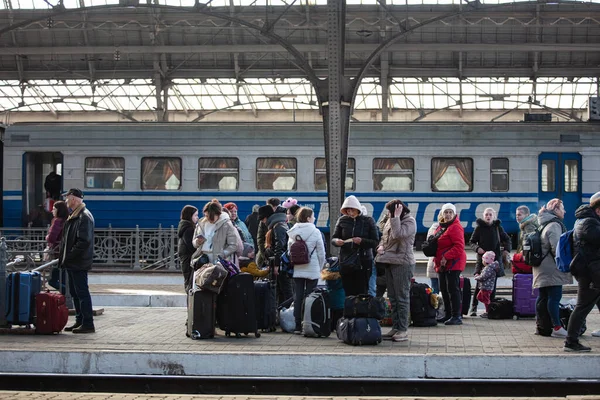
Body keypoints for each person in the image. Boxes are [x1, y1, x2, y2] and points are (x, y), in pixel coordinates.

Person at [375, 200, 416, 342]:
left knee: (402, 297)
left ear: (398, 210)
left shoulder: (410, 222)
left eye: (389, 211)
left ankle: (403, 330)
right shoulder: (390, 220)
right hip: (389, 261)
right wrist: (380, 247)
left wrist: (395, 217)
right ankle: (396, 327)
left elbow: (398, 235)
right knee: (392, 297)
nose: (387, 214)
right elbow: (385, 237)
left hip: (402, 263)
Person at [564, 192, 600, 352]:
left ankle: (571, 341)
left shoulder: (586, 220)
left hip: (592, 271)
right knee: (582, 307)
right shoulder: (589, 223)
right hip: (590, 273)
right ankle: (571, 342)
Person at [58, 188, 95, 334]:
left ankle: (88, 323)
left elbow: (83, 241)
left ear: (73, 199)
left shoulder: (83, 216)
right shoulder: (76, 215)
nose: (66, 201)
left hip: (78, 262)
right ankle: (79, 320)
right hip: (74, 262)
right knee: (75, 292)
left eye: (67, 198)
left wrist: (70, 256)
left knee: (81, 292)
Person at [534, 198, 572, 338]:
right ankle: (557, 327)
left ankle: (541, 326)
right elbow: (557, 249)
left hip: (543, 267)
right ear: (555, 210)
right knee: (554, 297)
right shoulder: (554, 225)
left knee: (543, 297)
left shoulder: (544, 223)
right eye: (562, 208)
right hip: (552, 268)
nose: (564, 211)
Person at [286, 207, 326, 334]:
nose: (314, 218)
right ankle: (307, 324)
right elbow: (321, 253)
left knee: (298, 297)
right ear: (308, 218)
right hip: (312, 268)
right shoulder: (315, 232)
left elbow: (289, 251)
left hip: (298, 269)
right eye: (313, 216)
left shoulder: (293, 231)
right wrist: (319, 268)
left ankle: (297, 325)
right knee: (310, 298)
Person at [331, 195, 378, 296]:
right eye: (348, 211)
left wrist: (362, 241)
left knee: (363, 291)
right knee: (348, 292)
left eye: (352, 210)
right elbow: (333, 238)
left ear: (358, 209)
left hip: (363, 261)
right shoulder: (342, 220)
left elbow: (375, 242)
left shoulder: (368, 220)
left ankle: (361, 311)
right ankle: (349, 311)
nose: (350, 213)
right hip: (346, 261)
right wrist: (337, 241)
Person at [468, 207, 511, 316]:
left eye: (490, 215)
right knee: (479, 284)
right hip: (482, 260)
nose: (488, 217)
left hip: (495, 261)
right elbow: (471, 242)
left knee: (492, 286)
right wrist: (478, 249)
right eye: (486, 214)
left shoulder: (498, 228)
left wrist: (506, 250)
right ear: (483, 216)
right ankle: (474, 307)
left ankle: (490, 309)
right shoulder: (479, 228)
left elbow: (507, 239)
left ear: (494, 216)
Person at [434, 203, 467, 326]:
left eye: (450, 212)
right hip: (442, 263)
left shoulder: (455, 227)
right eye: (446, 212)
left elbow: (459, 246)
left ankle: (456, 316)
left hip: (453, 263)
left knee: (453, 289)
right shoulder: (442, 226)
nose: (448, 215)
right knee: (444, 288)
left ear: (454, 214)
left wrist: (446, 256)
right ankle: (448, 314)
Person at [265, 204, 294, 305]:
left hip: (282, 264)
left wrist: (277, 264)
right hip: (285, 262)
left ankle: (288, 312)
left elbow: (279, 246)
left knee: (286, 289)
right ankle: (284, 311)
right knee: (283, 290)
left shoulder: (279, 227)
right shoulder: (284, 225)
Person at [46, 200, 69, 292]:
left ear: (59, 210)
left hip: (57, 254)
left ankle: (69, 293)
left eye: (54, 209)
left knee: (52, 281)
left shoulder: (57, 221)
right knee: (63, 279)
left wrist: (47, 236)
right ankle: (66, 298)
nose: (52, 211)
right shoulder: (67, 220)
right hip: (65, 253)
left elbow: (51, 238)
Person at [473, 251, 501, 318]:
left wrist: (477, 277)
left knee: (486, 300)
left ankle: (488, 311)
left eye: (483, 260)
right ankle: (488, 307)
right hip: (484, 287)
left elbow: (483, 277)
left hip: (486, 287)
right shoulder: (489, 268)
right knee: (479, 297)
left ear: (485, 261)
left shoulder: (489, 268)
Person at [177, 205, 199, 292]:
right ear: (190, 216)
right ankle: (189, 303)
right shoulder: (189, 228)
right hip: (189, 259)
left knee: (188, 281)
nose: (197, 218)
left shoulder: (184, 226)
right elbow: (191, 245)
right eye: (195, 215)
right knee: (189, 282)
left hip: (185, 258)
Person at [426, 211, 444, 295]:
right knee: (437, 290)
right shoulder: (435, 227)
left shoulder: (433, 228)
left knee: (436, 291)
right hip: (436, 263)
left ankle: (436, 307)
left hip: (436, 263)